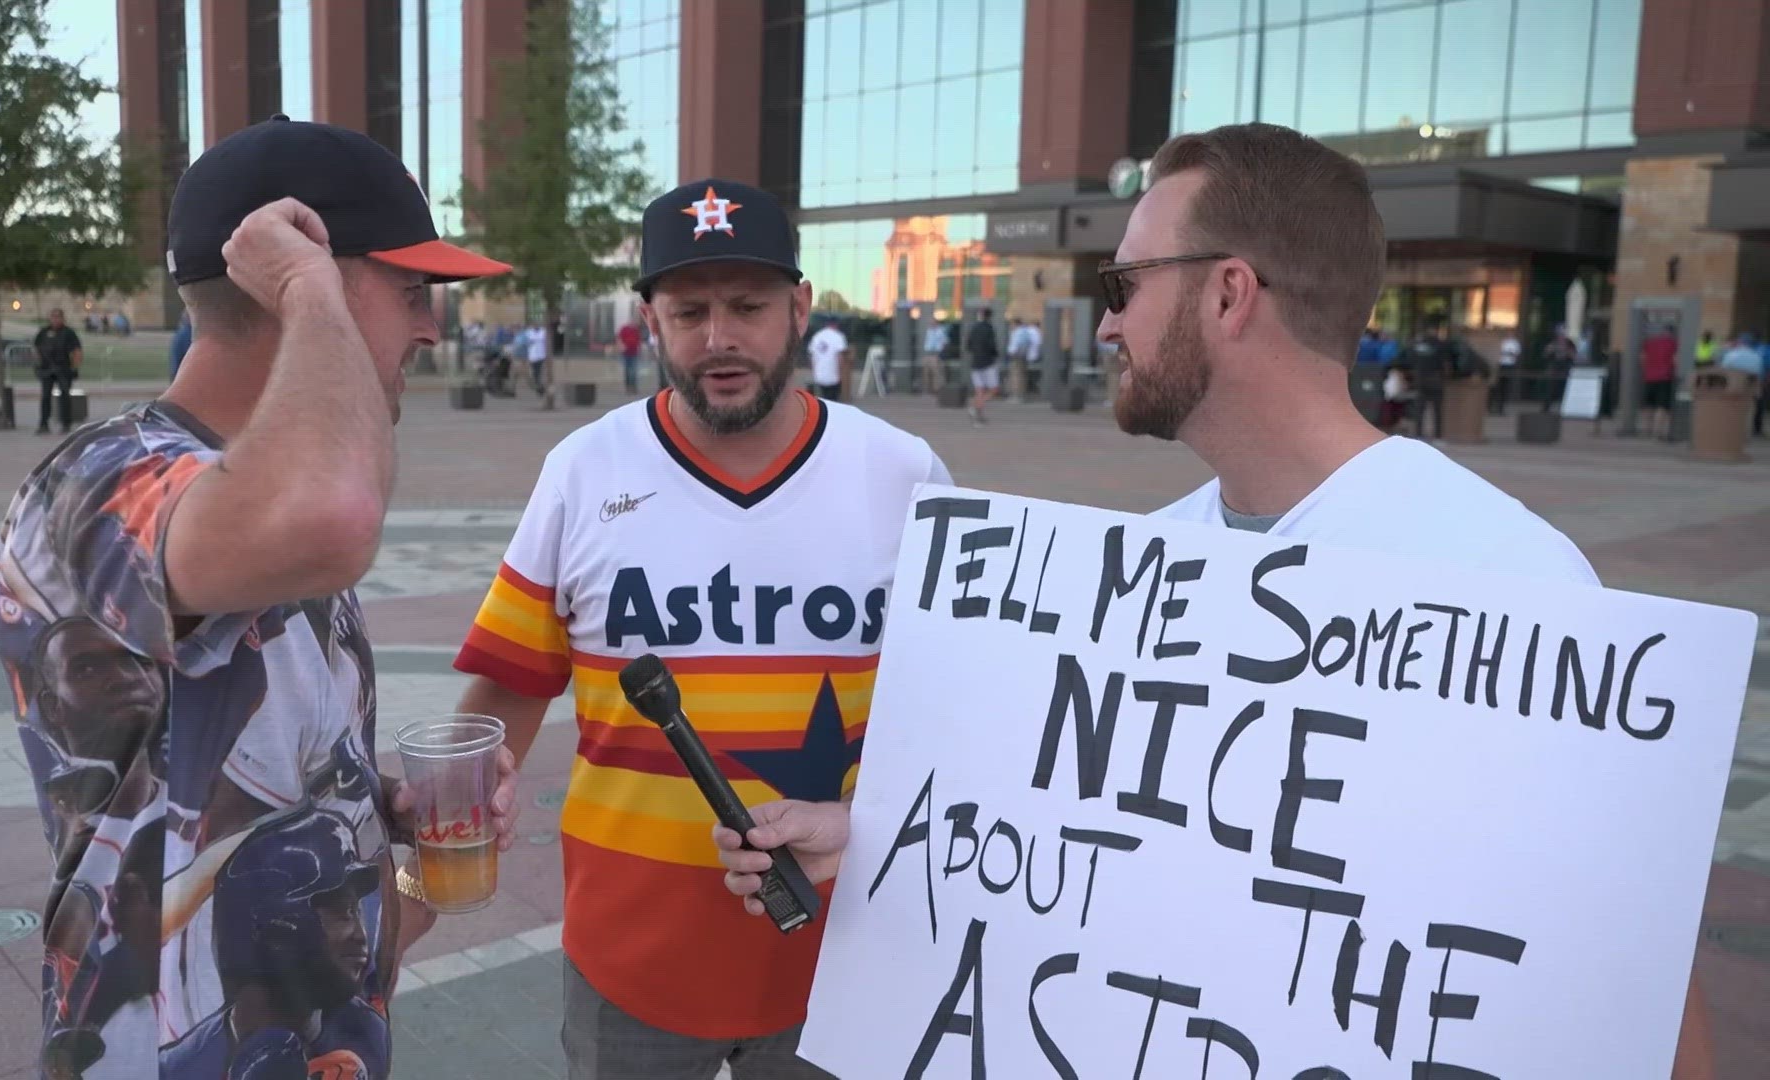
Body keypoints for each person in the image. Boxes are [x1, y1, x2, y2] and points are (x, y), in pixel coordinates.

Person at [712, 121, 1716, 1080]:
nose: (1106, 319)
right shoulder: (1146, 566)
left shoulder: (1514, 581)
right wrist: (875, 839)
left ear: (1230, 294)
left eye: (1127, 283)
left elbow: (1634, 978)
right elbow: (1077, 838)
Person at [0, 113, 520, 1078]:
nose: (432, 326)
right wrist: (314, 292)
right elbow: (338, 512)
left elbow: (257, 799)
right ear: (291, 278)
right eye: (410, 290)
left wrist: (381, 816)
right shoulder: (102, 482)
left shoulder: (253, 504)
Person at [449, 176, 951, 1080]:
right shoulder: (583, 469)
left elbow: (963, 705)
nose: (719, 338)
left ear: (800, 308)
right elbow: (511, 681)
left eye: (748, 307)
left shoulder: (903, 473)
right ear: (650, 316)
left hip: (848, 959)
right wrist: (455, 798)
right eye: (689, 311)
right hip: (629, 961)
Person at [33, 307, 83, 435]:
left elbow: (77, 351)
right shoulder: (44, 332)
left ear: (62, 318)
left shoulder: (68, 333)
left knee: (65, 396)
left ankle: (66, 423)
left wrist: (74, 366)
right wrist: (38, 363)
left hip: (63, 368)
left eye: (58, 317)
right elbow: (36, 348)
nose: (55, 319)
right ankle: (44, 424)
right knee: (45, 396)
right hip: (47, 369)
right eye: (53, 317)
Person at [965, 307, 1001, 423]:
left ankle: (977, 411)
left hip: (976, 362)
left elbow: (968, 345)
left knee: (979, 390)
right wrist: (995, 354)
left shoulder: (974, 328)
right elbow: (992, 346)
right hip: (988, 362)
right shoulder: (989, 328)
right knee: (994, 389)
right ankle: (976, 408)